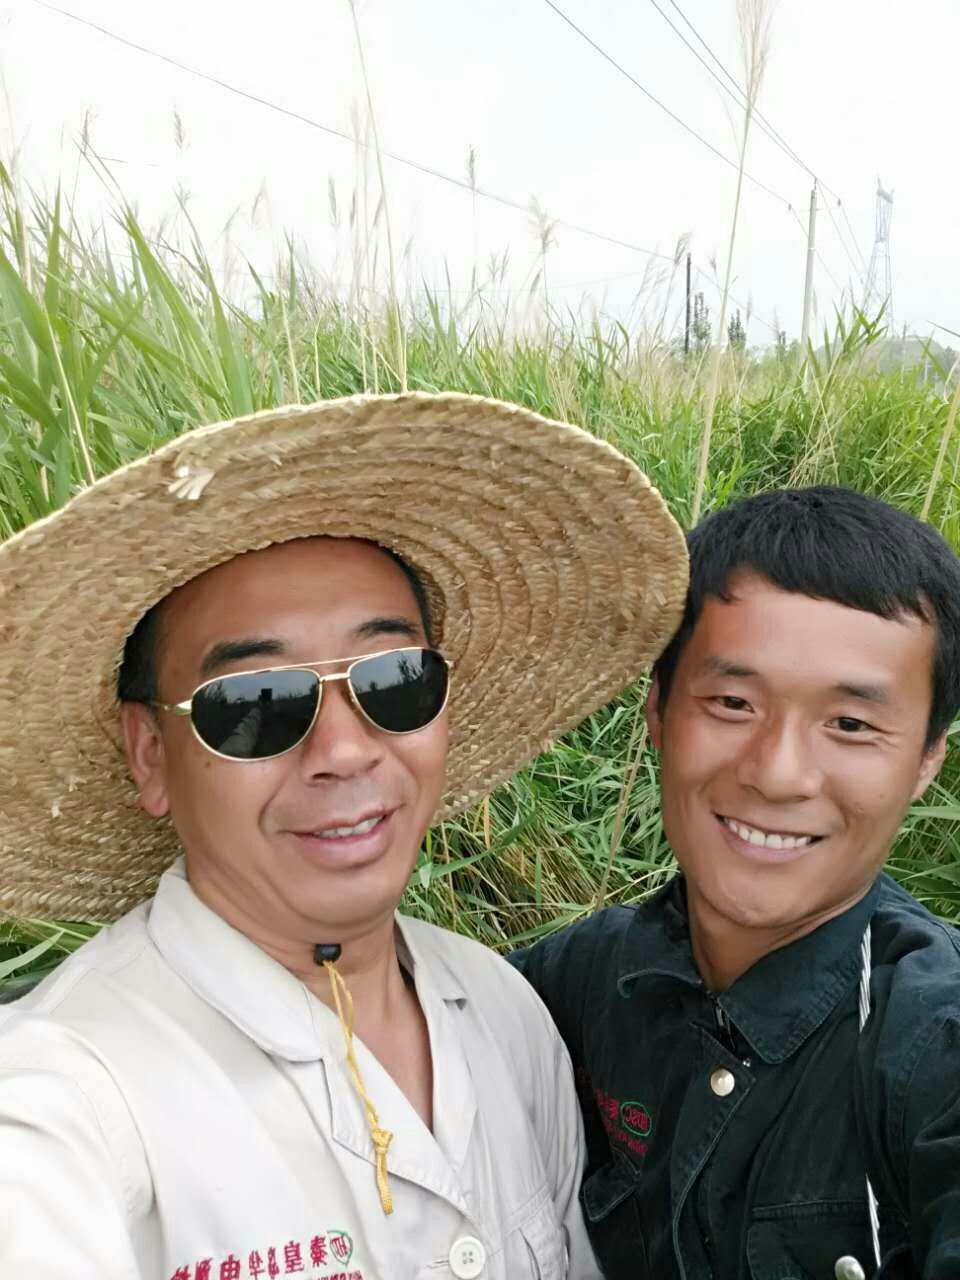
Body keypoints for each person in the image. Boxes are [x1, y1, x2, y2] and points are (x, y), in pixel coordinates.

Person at [0, 393, 687, 1280]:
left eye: (394, 679)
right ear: (150, 754)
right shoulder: (66, 1101)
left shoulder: (504, 1014)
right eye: (255, 703)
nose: (346, 750)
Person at [512, 486, 960, 1280]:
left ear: (927, 760)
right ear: (657, 711)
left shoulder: (933, 1048)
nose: (778, 774)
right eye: (732, 702)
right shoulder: (578, 981)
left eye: (851, 724)